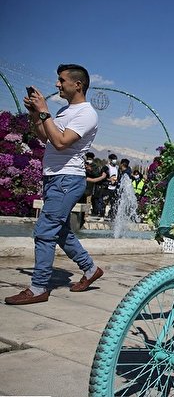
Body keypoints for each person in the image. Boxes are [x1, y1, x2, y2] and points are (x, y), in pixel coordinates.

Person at [5, 64, 103, 305]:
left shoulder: (87, 113)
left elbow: (60, 143)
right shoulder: (64, 112)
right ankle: (90, 270)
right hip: (54, 177)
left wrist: (44, 111)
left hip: (68, 179)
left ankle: (39, 288)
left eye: (61, 80)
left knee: (45, 230)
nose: (57, 84)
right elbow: (44, 136)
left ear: (77, 84)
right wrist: (35, 114)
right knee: (60, 231)